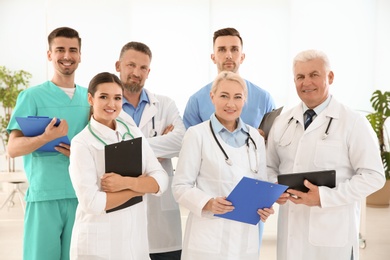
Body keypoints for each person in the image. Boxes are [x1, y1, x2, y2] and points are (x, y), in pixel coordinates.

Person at [266, 49, 386, 260]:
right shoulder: (283, 121)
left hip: (333, 234)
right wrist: (273, 189)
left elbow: (374, 176)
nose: (306, 82)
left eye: (314, 75)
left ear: (330, 77)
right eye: (300, 77)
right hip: (291, 233)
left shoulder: (353, 122)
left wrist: (324, 197)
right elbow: (269, 166)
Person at [6, 27, 89, 260]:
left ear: (80, 55)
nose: (67, 56)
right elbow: (12, 149)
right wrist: (45, 138)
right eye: (60, 49)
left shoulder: (90, 98)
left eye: (73, 50)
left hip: (81, 195)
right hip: (44, 196)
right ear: (49, 54)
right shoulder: (32, 97)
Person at [172, 71, 274, 260]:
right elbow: (180, 187)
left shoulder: (255, 138)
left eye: (237, 97)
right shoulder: (197, 135)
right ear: (212, 97)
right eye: (224, 96)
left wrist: (264, 208)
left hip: (245, 239)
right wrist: (208, 203)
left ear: (245, 100)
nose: (230, 104)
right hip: (208, 238)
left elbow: (261, 184)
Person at [68, 72, 169, 259]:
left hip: (134, 242)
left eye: (117, 98)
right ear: (90, 98)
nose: (111, 104)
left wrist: (125, 183)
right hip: (98, 245)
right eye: (103, 97)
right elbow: (92, 202)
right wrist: (139, 188)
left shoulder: (132, 132)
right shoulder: (82, 143)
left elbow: (161, 180)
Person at [115, 41, 185, 260]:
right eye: (131, 65)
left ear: (149, 72)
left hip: (161, 218)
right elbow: (103, 152)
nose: (137, 72)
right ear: (118, 65)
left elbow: (181, 141)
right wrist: (158, 146)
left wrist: (127, 151)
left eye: (143, 68)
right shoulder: (107, 106)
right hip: (120, 207)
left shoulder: (164, 104)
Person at [183, 27, 275, 130]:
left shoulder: (264, 99)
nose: (228, 55)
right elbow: (190, 141)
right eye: (222, 49)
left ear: (242, 57)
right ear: (213, 58)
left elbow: (273, 140)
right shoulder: (196, 102)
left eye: (234, 49)